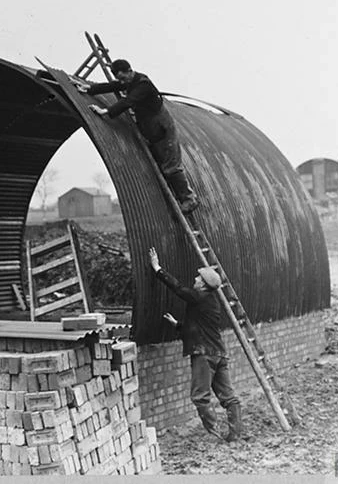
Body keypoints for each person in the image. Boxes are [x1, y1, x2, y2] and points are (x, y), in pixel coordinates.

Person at [148, 246, 246, 442]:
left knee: (199, 397)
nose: (194, 280)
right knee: (228, 396)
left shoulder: (199, 296)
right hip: (219, 354)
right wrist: (178, 325)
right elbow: (200, 328)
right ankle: (235, 434)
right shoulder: (210, 302)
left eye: (198, 279)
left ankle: (215, 435)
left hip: (205, 355)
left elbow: (178, 288)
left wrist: (157, 268)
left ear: (203, 285)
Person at [75, 59, 198, 214]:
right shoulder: (130, 81)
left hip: (163, 128)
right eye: (120, 78)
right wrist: (90, 89)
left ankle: (189, 199)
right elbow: (114, 85)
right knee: (163, 166)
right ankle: (178, 196)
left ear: (129, 71)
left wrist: (106, 111)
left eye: (123, 78)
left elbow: (129, 101)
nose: (122, 81)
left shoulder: (143, 85)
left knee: (171, 166)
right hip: (152, 131)